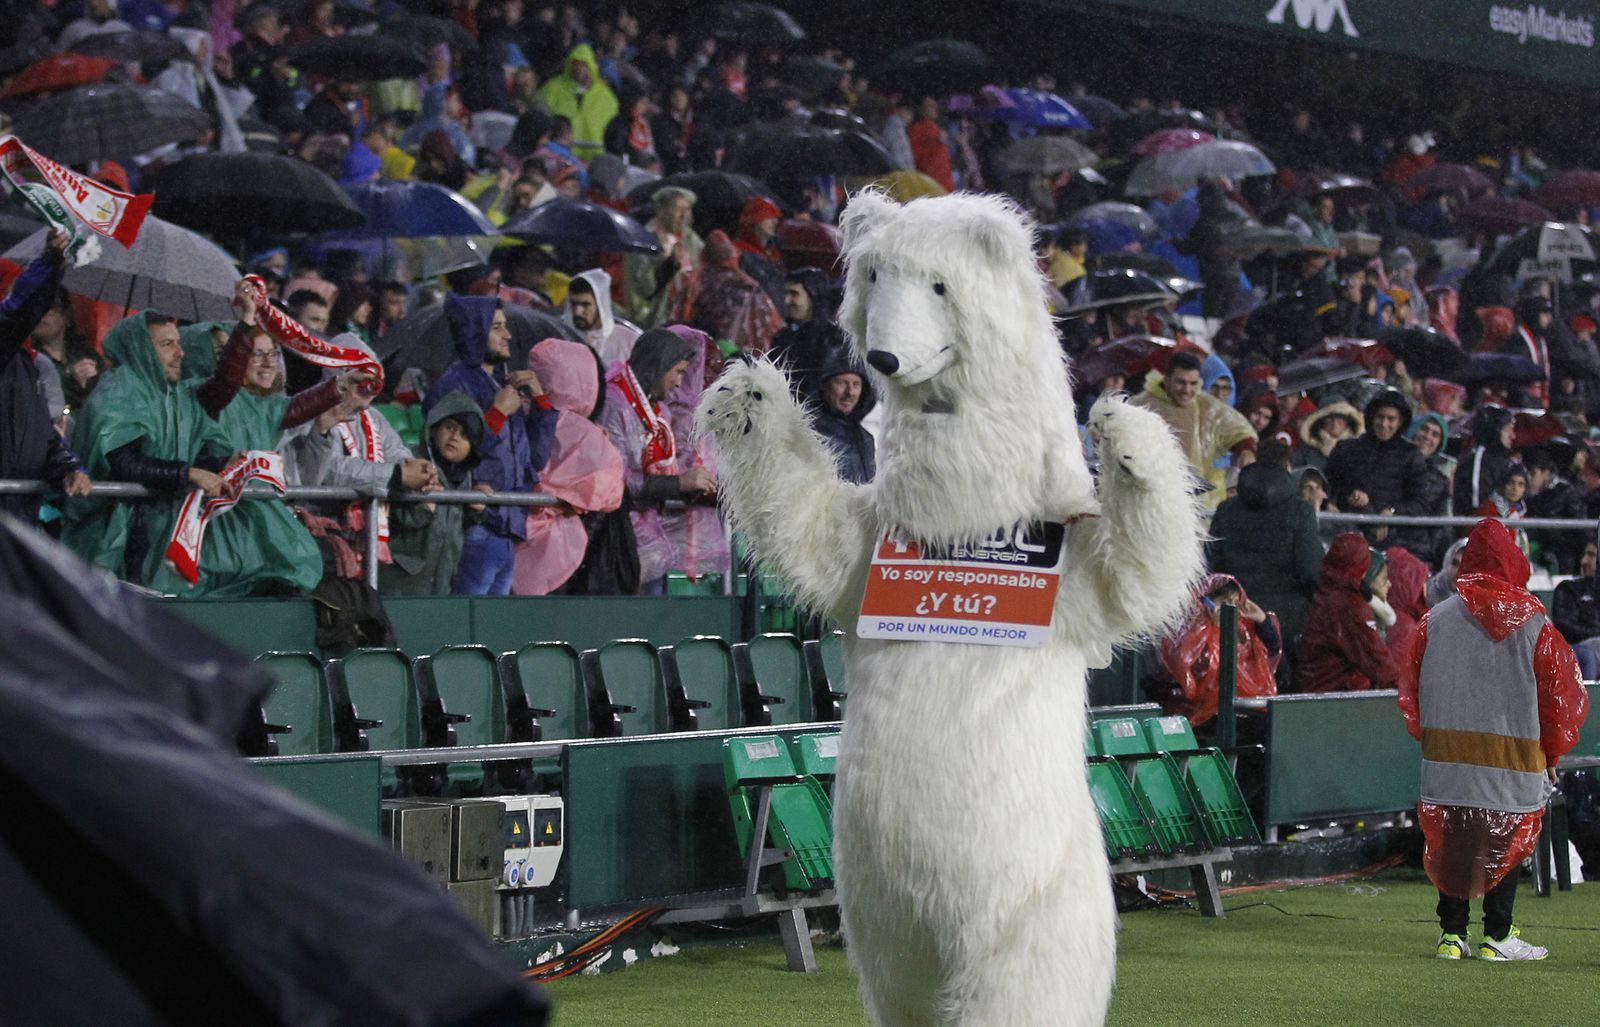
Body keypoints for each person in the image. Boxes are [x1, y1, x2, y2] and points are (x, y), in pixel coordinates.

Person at [1398, 518, 1587, 961]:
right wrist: (1554, 753)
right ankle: (1497, 938)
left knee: (1456, 844)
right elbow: (1559, 698)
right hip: (1514, 760)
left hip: (1449, 759)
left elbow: (1412, 690)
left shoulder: (1436, 620)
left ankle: (1451, 935)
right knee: (1507, 840)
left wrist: (1428, 738)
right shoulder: (1536, 624)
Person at [62, 299, 314, 597]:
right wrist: (191, 473)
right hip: (113, 538)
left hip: (154, 531)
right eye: (167, 344)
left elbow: (215, 399)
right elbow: (124, 463)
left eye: (179, 343)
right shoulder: (120, 391)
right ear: (142, 348)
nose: (179, 353)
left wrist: (222, 462)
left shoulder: (173, 394)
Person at [423, 295, 558, 595]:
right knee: (466, 627)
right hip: (475, 525)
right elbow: (451, 457)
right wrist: (496, 415)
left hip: (508, 526)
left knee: (491, 631)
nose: (507, 335)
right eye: (497, 327)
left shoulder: (503, 385)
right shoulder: (451, 386)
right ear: (475, 330)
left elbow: (535, 459)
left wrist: (541, 403)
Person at [279, 333, 439, 580]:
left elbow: (395, 451)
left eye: (373, 377)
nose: (368, 385)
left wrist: (414, 468)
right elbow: (331, 471)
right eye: (360, 377)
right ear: (339, 376)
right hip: (316, 535)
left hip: (361, 542)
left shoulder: (374, 417)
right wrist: (396, 475)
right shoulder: (310, 408)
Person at [599, 328, 717, 594]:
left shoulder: (658, 410)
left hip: (649, 538)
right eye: (677, 372)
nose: (679, 383)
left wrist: (693, 484)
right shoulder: (614, 403)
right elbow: (615, 480)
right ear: (657, 365)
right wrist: (679, 484)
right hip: (616, 538)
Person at [512, 338, 624, 595]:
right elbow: (611, 494)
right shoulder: (584, 434)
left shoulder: (518, 410)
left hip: (515, 536)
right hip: (561, 550)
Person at [1206, 438, 1323, 649]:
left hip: (1234, 617)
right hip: (1287, 622)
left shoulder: (1226, 509)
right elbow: (1311, 570)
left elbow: (1213, 564)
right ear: (1287, 466)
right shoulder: (1300, 510)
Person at [379, 391, 488, 596]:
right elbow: (389, 517)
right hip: (399, 583)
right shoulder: (410, 460)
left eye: (465, 435)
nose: (455, 437)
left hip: (440, 583)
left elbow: (453, 526)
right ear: (434, 428)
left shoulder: (464, 476)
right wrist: (423, 509)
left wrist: (476, 510)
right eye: (449, 428)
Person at [1129, 351, 1256, 508]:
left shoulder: (1207, 405)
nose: (1187, 390)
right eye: (1181, 383)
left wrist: (1246, 450)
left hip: (1202, 502)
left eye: (1193, 383)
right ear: (1166, 379)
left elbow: (1238, 430)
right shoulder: (1140, 405)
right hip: (1151, 498)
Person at [1323, 389, 1441, 559]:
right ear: (1371, 417)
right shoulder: (1346, 449)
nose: (1384, 424)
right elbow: (1329, 485)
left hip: (1393, 543)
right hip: (1347, 535)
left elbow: (1421, 503)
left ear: (1400, 422)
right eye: (1380, 417)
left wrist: (1391, 512)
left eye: (1391, 419)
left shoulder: (1410, 455)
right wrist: (1346, 497)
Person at [1150, 573, 1280, 726]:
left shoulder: (1244, 627)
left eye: (1235, 602)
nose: (1232, 608)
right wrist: (1214, 626)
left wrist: (1262, 620)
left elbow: (1271, 651)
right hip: (1202, 707)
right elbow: (1188, 669)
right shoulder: (1191, 631)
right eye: (1225, 602)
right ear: (1206, 602)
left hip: (1244, 703)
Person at [1294, 532, 1399, 693]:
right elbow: (1376, 658)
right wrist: (1405, 688)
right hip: (1335, 700)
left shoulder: (1326, 592)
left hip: (1315, 695)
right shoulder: (1350, 605)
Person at [674, 230, 784, 356]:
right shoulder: (750, 286)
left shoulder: (697, 281)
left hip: (701, 349)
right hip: (736, 355)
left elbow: (681, 313)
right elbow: (772, 324)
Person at [623, 186, 703, 328]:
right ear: (661, 210)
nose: (684, 215)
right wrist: (668, 265)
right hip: (654, 319)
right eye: (678, 209)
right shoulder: (644, 241)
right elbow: (643, 287)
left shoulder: (691, 239)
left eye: (687, 209)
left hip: (686, 316)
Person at [769, 267, 843, 402]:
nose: (787, 301)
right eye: (786, 293)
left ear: (814, 295)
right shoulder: (783, 337)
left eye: (794, 294)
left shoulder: (835, 339)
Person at [537, 44, 618, 161]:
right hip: (557, 156)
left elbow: (613, 131)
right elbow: (539, 115)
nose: (579, 68)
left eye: (584, 64)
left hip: (594, 159)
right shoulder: (553, 88)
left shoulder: (607, 97)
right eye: (576, 63)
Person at [810, 349, 875, 485]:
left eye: (856, 384)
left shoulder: (866, 438)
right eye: (841, 383)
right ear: (825, 386)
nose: (850, 392)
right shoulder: (811, 435)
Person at [563, 269, 640, 366]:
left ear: (601, 305)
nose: (577, 312)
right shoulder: (562, 338)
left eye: (585, 305)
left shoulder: (629, 343)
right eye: (574, 304)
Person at [1454, 405, 1518, 516]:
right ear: (1495, 430)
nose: (1513, 436)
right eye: (1508, 430)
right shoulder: (1478, 460)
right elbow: (1475, 504)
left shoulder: (1507, 461)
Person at [1550, 539, 1600, 677]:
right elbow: (1564, 624)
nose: (1584, 561)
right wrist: (1595, 632)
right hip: (1576, 648)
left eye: (1591, 555)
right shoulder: (1568, 589)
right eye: (1584, 555)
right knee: (1589, 652)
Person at [1295, 400, 1363, 472]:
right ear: (1321, 421)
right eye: (1329, 418)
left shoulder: (1359, 448)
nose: (1334, 422)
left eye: (1339, 417)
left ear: (1348, 421)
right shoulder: (1306, 450)